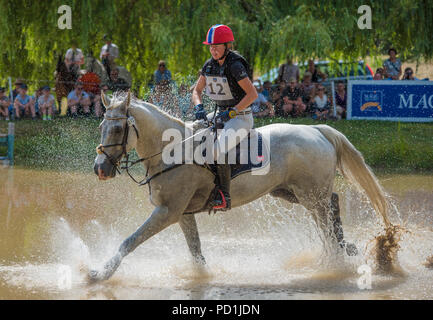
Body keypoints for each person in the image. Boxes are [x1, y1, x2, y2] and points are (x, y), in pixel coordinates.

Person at [192, 24, 258, 211]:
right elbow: (197, 90)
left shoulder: (235, 65)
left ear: (227, 46)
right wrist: (198, 107)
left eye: (217, 46)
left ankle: (224, 196)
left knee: (219, 150)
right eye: (210, 46)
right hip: (220, 114)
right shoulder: (209, 65)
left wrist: (232, 112)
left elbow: (252, 95)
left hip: (240, 116)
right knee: (192, 129)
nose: (213, 49)